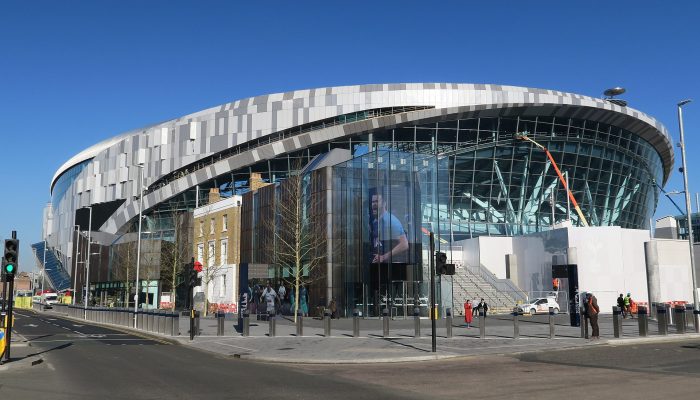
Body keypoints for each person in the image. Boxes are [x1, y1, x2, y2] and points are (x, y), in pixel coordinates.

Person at [369, 191, 409, 264]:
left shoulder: (392, 221)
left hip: (391, 265)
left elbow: (404, 244)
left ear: (384, 203)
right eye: (372, 202)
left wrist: (383, 257)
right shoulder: (375, 222)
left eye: (377, 201)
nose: (374, 204)